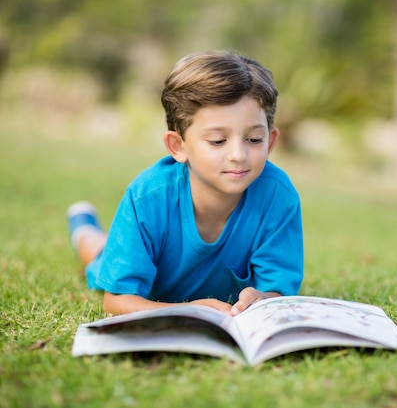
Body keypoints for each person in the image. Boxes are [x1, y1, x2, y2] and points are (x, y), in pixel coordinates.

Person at [67, 50, 304, 317]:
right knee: (97, 251)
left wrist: (262, 297)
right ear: (178, 146)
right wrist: (188, 310)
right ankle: (82, 223)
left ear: (271, 141)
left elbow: (278, 292)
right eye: (217, 141)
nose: (239, 155)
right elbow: (117, 301)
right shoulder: (147, 197)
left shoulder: (278, 196)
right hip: (144, 279)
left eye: (253, 139)